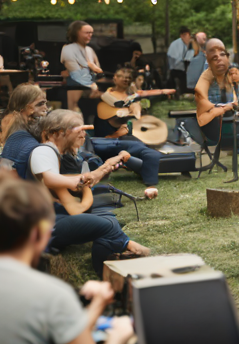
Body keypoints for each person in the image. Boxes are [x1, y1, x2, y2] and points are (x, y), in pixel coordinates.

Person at [0, 176, 134, 344]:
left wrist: (97, 305)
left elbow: (53, 332)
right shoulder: (52, 296)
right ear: (40, 234)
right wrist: (119, 335)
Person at [29, 109, 150, 277]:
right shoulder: (44, 151)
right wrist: (92, 176)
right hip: (45, 226)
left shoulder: (56, 155)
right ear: (56, 132)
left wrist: (92, 177)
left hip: (53, 220)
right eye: (77, 127)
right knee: (108, 225)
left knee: (110, 220)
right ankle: (106, 270)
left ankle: (114, 259)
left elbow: (74, 201)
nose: (83, 132)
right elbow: (51, 180)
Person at [92, 66, 162, 196]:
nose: (126, 79)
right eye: (122, 76)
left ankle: (150, 184)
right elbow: (99, 141)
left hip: (129, 143)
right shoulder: (103, 108)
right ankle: (150, 183)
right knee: (147, 152)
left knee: (151, 153)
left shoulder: (131, 101)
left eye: (128, 78)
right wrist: (118, 133)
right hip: (113, 144)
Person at [60, 21, 103, 111]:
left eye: (91, 33)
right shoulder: (68, 48)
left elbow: (99, 71)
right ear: (77, 33)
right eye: (87, 33)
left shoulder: (90, 49)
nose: (90, 35)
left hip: (90, 90)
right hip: (75, 87)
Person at [166, 26, 194, 94]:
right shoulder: (175, 44)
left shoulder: (190, 44)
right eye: (185, 36)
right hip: (176, 69)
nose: (187, 38)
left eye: (188, 36)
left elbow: (191, 56)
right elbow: (175, 59)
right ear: (181, 36)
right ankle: (186, 91)